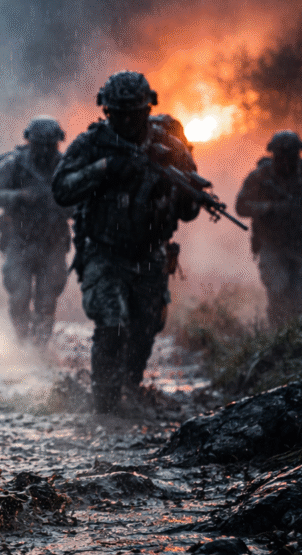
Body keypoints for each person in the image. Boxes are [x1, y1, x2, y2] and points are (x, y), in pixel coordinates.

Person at [51, 71, 200, 414]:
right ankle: (104, 407)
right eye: (119, 114)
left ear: (148, 109)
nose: (128, 121)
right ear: (107, 111)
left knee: (146, 328)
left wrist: (178, 188)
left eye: (135, 113)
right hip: (104, 251)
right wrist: (104, 168)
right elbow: (61, 190)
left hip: (150, 252)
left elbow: (189, 210)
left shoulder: (170, 147)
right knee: (112, 324)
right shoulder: (92, 144)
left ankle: (130, 391)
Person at [235, 130, 302, 327]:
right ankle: (277, 333)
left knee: (299, 295)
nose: (285, 161)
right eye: (280, 156)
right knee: (278, 290)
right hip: (271, 244)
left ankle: (293, 333)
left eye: (290, 156)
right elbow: (241, 206)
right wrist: (271, 208)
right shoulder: (260, 177)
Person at [0, 117, 72, 347]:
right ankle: (22, 342)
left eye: (49, 146)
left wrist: (59, 203)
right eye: (39, 145)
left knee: (47, 299)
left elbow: (80, 202)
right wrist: (19, 196)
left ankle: (40, 347)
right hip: (20, 240)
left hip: (53, 241)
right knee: (19, 295)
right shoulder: (14, 165)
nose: (44, 151)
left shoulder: (65, 167)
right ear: (30, 142)